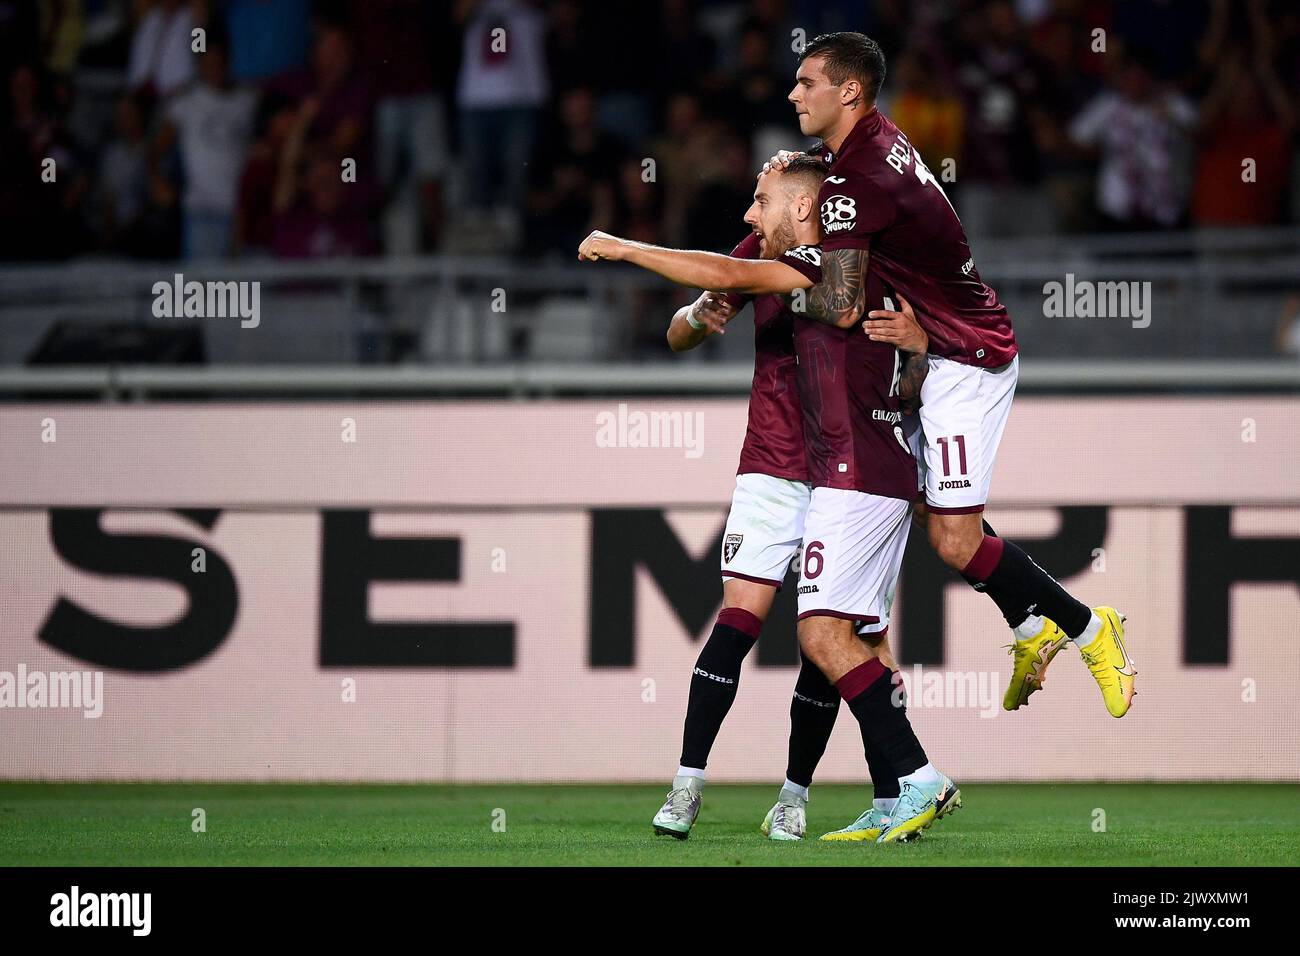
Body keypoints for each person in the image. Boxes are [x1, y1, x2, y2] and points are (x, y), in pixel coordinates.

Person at [578, 156, 960, 844]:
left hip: (847, 474)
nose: (748, 217)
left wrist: (921, 347)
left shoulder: (856, 257)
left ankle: (816, 795)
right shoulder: (762, 251)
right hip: (773, 466)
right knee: (741, 619)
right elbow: (682, 328)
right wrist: (697, 315)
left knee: (844, 641)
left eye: (761, 201)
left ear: (805, 206)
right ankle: (689, 784)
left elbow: (921, 360)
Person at [768, 32, 1135, 717]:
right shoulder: (868, 145)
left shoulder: (857, 178)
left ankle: (1090, 629)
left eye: (807, 81)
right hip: (937, 348)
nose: (793, 93)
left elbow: (843, 306)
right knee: (928, 515)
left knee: (955, 538)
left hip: (965, 357)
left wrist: (770, 287)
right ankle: (1031, 627)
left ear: (849, 91)